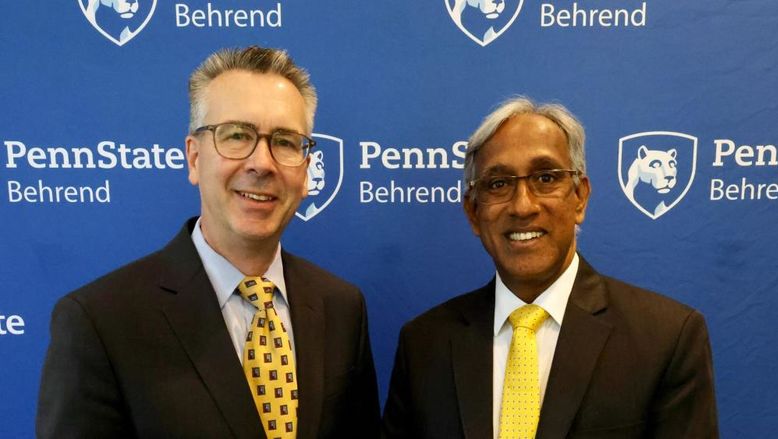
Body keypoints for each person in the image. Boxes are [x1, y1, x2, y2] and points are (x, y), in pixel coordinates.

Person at [37, 46, 380, 438]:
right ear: (194, 158)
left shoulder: (341, 307)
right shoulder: (99, 321)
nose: (262, 163)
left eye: (285, 142)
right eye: (236, 135)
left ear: (305, 170)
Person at [382, 97, 718, 438]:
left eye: (545, 178)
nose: (523, 206)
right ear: (473, 212)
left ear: (580, 198)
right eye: (498, 184)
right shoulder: (425, 344)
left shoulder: (666, 338)